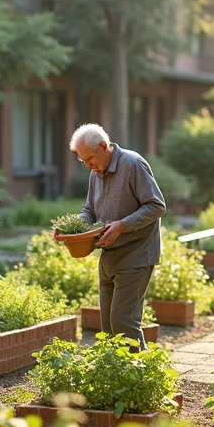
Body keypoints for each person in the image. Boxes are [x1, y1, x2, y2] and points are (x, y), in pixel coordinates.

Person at [67, 124, 166, 349]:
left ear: (103, 146)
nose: (88, 165)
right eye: (82, 161)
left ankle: (137, 375)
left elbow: (156, 206)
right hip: (108, 256)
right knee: (108, 326)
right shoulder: (95, 173)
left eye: (89, 158)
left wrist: (122, 225)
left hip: (136, 254)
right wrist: (73, 228)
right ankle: (118, 375)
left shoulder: (133, 164)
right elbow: (89, 210)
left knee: (123, 322)